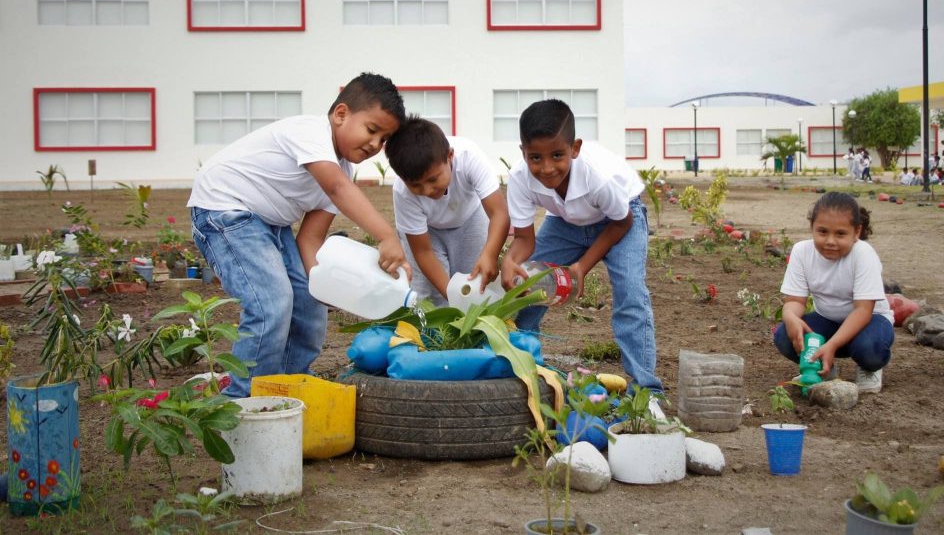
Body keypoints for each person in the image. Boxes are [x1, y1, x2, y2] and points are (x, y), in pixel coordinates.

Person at [188, 72, 411, 397]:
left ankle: (288, 390)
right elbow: (337, 189)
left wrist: (322, 286)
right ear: (341, 114)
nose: (375, 145)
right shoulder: (310, 132)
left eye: (384, 140)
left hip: (267, 223)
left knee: (309, 304)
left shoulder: (342, 168)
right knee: (271, 304)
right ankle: (243, 401)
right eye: (372, 130)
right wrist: (387, 237)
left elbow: (309, 240)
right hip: (224, 209)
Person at [500, 99, 664, 404]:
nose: (547, 168)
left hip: (622, 216)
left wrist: (580, 268)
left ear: (574, 148)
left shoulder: (596, 176)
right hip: (566, 221)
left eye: (557, 155)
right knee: (526, 284)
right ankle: (522, 366)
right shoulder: (521, 178)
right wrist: (511, 260)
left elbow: (621, 222)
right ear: (523, 152)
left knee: (630, 292)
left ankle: (647, 391)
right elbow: (524, 239)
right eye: (535, 157)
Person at [772, 192, 894, 394]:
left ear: (856, 232)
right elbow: (795, 300)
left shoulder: (863, 254)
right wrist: (791, 316)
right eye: (822, 232)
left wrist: (833, 344)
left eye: (840, 234)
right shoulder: (802, 252)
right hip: (827, 319)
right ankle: (822, 369)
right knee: (785, 336)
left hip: (869, 321)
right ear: (812, 227)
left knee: (869, 349)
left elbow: (863, 310)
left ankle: (869, 368)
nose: (830, 241)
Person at [383, 117, 510, 305]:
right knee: (429, 294)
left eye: (433, 180)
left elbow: (499, 213)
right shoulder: (402, 192)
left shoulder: (469, 157)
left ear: (450, 156)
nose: (426, 191)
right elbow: (423, 252)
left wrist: (490, 255)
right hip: (427, 231)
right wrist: (453, 298)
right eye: (416, 185)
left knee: (474, 281)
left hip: (470, 219)